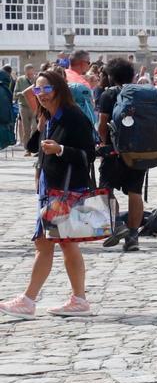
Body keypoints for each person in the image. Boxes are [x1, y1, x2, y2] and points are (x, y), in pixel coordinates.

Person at [0, 70, 98, 319]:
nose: (41, 94)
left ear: (58, 89)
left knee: (49, 244)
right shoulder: (50, 116)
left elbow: (89, 154)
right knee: (60, 244)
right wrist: (40, 127)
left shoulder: (73, 117)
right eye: (37, 89)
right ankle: (77, 300)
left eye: (46, 89)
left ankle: (29, 300)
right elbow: (32, 147)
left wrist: (61, 149)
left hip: (65, 190)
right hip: (50, 190)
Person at [96, 58, 145, 253]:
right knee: (135, 192)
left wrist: (103, 144)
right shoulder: (142, 93)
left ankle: (117, 224)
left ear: (110, 76)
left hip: (114, 151)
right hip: (140, 150)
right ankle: (133, 236)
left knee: (105, 190)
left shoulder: (108, 95)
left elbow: (102, 124)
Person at [15, 64, 36, 154]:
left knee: (34, 128)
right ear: (25, 72)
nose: (30, 76)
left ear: (33, 72)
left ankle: (33, 148)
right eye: (28, 74)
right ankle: (27, 149)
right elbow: (15, 94)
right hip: (23, 106)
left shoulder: (37, 79)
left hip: (35, 106)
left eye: (31, 74)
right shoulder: (20, 80)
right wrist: (22, 93)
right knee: (26, 129)